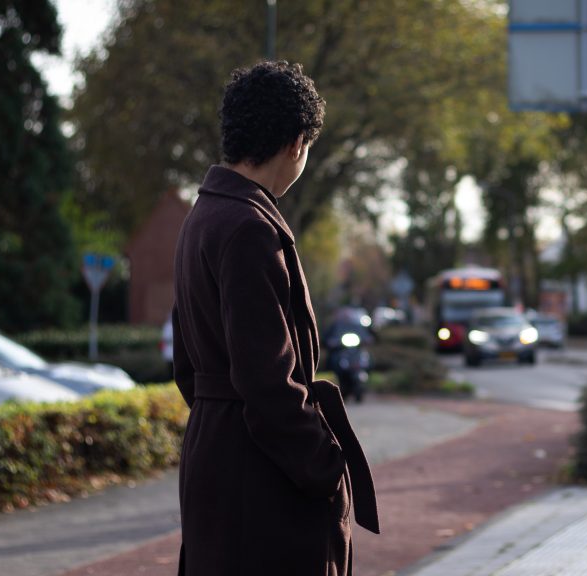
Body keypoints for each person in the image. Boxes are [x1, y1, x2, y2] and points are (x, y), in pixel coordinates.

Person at [171, 61, 378, 576]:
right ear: (296, 142)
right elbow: (269, 382)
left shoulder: (202, 216)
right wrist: (326, 467)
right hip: (263, 477)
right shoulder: (249, 227)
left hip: (215, 455)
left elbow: (185, 365)